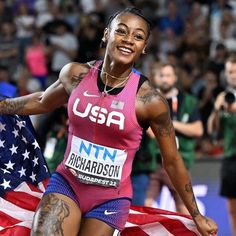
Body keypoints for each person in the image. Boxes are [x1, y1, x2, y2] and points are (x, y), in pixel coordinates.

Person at [0, 7, 217, 236]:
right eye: (121, 31)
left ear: (144, 48)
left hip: (109, 201)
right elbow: (43, 101)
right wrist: (2, 106)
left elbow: (172, 160)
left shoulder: (149, 102)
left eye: (138, 36)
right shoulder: (75, 74)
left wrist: (197, 215)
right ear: (106, 34)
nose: (128, 40)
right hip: (67, 185)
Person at [144, 62, 203, 215]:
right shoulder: (147, 100)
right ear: (155, 78)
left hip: (179, 161)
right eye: (161, 76)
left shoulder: (188, 101)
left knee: (184, 209)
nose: (165, 79)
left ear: (175, 77)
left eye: (168, 75)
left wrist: (171, 124)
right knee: (146, 206)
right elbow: (149, 131)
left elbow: (198, 129)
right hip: (153, 163)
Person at [208, 55, 236, 236]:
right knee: (233, 209)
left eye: (235, 71)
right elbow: (212, 129)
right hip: (230, 158)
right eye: (229, 72)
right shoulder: (224, 97)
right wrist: (217, 109)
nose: (232, 75)